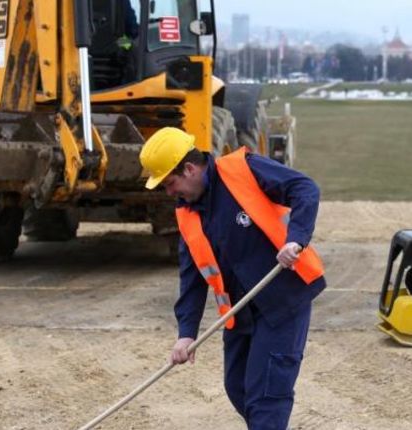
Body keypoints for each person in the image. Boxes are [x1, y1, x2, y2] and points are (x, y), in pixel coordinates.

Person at [139, 127, 326, 429]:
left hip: (281, 301)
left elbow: (305, 188)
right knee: (237, 386)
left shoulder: (243, 169)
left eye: (170, 183)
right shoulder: (186, 211)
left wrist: (296, 239)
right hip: (240, 312)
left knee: (266, 394)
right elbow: (192, 276)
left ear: (189, 168)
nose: (169, 192)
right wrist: (186, 332)